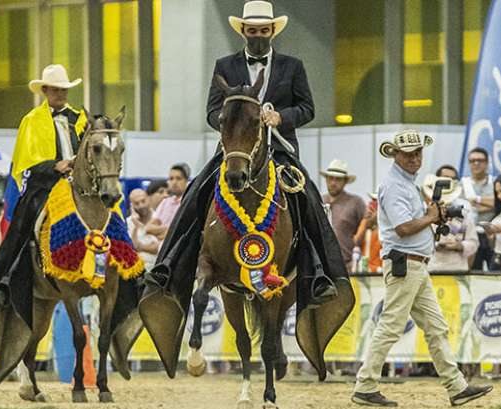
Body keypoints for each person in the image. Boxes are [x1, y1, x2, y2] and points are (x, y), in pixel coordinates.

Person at [140, 0, 352, 374]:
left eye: (262, 31)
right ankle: (171, 265)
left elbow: (307, 108)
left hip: (280, 151)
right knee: (196, 194)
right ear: (243, 32)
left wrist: (278, 117)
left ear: (272, 31)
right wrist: (231, 121)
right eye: (251, 31)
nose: (256, 36)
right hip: (237, 149)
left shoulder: (293, 67)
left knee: (308, 199)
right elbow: (210, 110)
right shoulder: (225, 66)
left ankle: (319, 273)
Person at [352, 129, 491, 407]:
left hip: (414, 264)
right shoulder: (394, 186)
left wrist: (430, 217)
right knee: (392, 325)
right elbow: (403, 228)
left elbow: (410, 224)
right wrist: (430, 216)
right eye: (409, 153)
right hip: (406, 262)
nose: (415, 158)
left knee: (435, 326)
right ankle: (365, 385)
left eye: (418, 152)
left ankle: (457, 386)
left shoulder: (405, 184)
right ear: (396, 155)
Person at [0, 64, 87, 307]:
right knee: (25, 225)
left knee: (109, 214)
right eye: (56, 89)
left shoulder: (80, 119)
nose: (61, 94)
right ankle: (5, 280)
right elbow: (26, 161)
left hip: (77, 187)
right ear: (46, 90)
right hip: (46, 186)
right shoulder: (32, 121)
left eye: (64, 89)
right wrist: (53, 166)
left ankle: (125, 275)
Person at [421, 174, 478, 272]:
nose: (444, 204)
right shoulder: (423, 215)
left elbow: (474, 243)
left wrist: (459, 246)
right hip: (431, 268)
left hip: (457, 269)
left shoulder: (463, 215)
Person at [321, 159, 365, 268]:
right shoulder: (319, 202)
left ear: (345, 181)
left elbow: (368, 231)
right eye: (330, 178)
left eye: (338, 179)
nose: (333, 183)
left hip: (348, 265)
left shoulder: (355, 202)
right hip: (322, 265)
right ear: (326, 179)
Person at [461, 148, 495, 270]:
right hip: (471, 235)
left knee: (496, 271)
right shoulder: (462, 184)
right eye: (472, 160)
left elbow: (500, 203)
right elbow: (462, 209)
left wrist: (476, 200)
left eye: (480, 160)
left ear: (487, 163)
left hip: (491, 234)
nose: (476, 163)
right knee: (473, 272)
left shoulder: (495, 182)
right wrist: (490, 205)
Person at [147, 163, 191, 241]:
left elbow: (181, 233)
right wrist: (168, 229)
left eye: (178, 178)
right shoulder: (165, 202)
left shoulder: (189, 203)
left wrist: (160, 231)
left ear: (186, 181)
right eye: (171, 179)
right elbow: (149, 228)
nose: (174, 182)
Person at [127, 188, 160, 267]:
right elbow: (129, 249)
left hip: (156, 269)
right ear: (131, 205)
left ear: (148, 199)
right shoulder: (128, 223)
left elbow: (159, 248)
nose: (141, 206)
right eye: (136, 203)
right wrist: (136, 226)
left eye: (143, 201)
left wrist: (139, 247)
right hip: (135, 271)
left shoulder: (160, 218)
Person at [353, 193, 382, 273]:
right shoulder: (365, 221)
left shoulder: (387, 223)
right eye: (372, 200)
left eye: (376, 201)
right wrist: (367, 224)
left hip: (381, 270)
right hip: (365, 270)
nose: (372, 203)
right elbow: (356, 242)